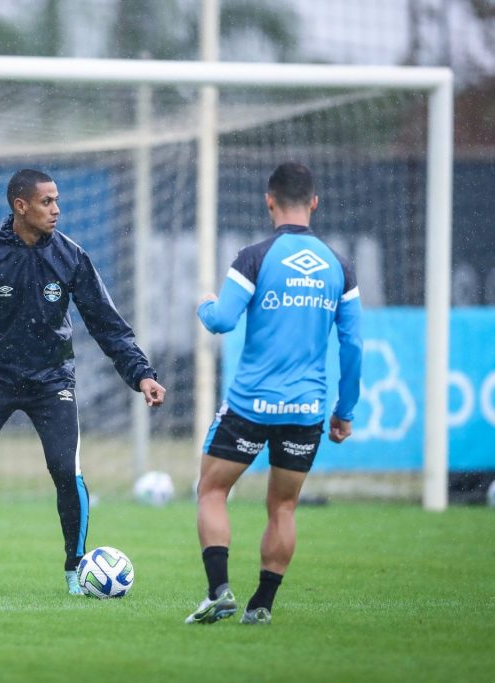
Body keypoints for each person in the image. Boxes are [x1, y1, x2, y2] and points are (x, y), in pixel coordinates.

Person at [0, 168, 167, 595]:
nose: (56, 210)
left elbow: (107, 325)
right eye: (47, 202)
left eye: (57, 200)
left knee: (67, 471)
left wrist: (142, 374)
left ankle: (75, 570)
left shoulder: (71, 256)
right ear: (20, 206)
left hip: (52, 382)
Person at [186, 161, 362, 626]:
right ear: (314, 203)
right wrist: (344, 411)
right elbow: (354, 345)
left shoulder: (256, 256)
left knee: (211, 489)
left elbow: (222, 320)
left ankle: (219, 591)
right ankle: (261, 605)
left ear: (269, 201)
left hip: (250, 403)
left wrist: (204, 305)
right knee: (283, 505)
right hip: (306, 408)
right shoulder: (339, 266)